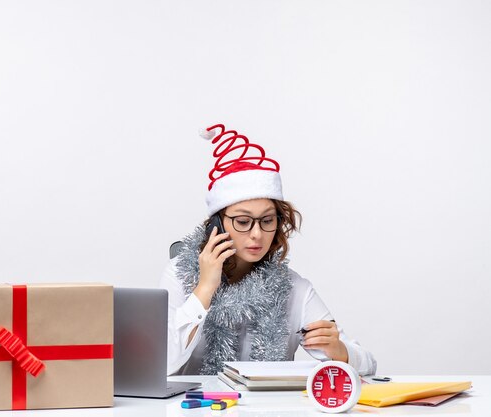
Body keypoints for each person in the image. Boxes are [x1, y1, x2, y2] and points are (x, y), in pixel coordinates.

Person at [160, 123, 377, 376]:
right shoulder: (179, 275)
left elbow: (369, 364)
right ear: (217, 225)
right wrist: (205, 288)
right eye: (243, 222)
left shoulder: (294, 289)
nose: (256, 234)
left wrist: (340, 350)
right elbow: (162, 364)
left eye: (267, 221)